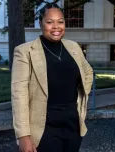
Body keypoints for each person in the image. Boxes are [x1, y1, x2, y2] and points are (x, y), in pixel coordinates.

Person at [11, 3, 93, 152]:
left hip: (72, 123)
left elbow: (88, 72)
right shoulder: (25, 52)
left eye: (60, 21)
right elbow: (19, 95)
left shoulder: (73, 47)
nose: (56, 26)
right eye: (50, 22)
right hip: (44, 126)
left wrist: (82, 96)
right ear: (41, 23)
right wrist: (23, 136)